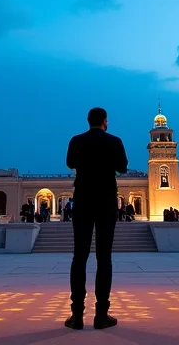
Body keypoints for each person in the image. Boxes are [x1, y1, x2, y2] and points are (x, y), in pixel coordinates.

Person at [64, 107, 127, 330]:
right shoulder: (115, 141)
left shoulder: (76, 140)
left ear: (88, 120)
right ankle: (101, 315)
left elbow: (70, 163)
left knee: (79, 257)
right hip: (106, 202)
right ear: (105, 122)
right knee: (104, 257)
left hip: (82, 201)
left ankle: (77, 315)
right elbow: (123, 167)